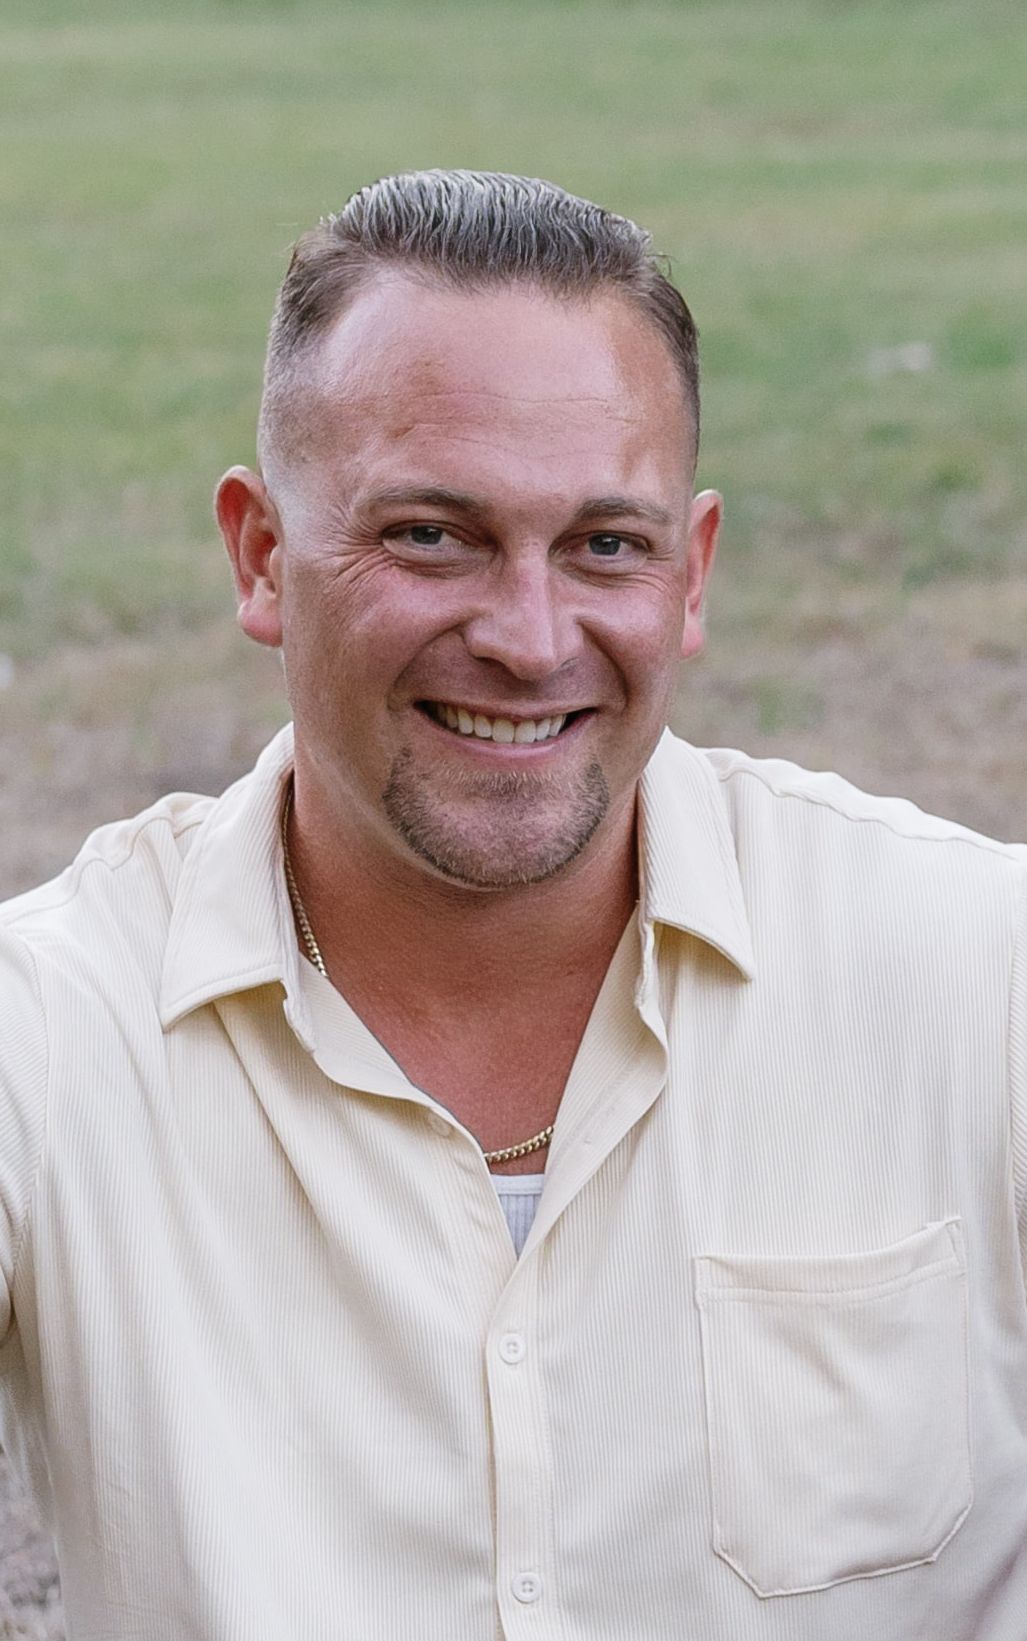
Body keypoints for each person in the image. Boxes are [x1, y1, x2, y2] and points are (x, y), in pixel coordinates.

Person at [0, 169, 1024, 1641]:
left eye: (606, 544)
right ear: (262, 555)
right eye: (431, 535)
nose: (530, 637)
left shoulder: (976, 972)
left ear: (692, 574)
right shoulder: (55, 1033)